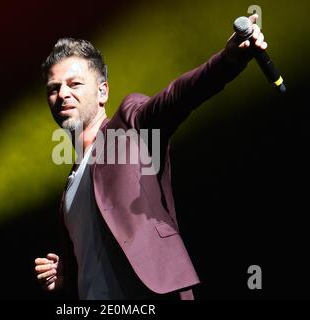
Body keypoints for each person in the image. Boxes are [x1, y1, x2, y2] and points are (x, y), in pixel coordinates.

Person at [34, 14, 267, 300]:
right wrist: (67, 275)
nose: (62, 95)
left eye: (75, 84)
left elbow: (176, 97)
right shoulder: (68, 190)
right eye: (54, 89)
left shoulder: (129, 125)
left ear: (102, 91)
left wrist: (227, 61)